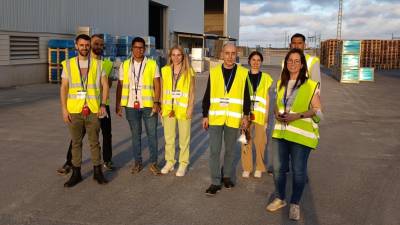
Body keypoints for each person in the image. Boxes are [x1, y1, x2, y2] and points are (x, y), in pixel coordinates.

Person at [266, 49, 321, 221]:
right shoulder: (281, 83)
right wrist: (276, 112)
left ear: (303, 64)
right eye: (290, 60)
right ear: (286, 62)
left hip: (300, 136)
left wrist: (297, 116)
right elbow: (277, 103)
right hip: (280, 133)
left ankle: (295, 203)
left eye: (297, 61)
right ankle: (280, 198)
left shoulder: (311, 85)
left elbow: (319, 112)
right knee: (277, 169)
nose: (293, 64)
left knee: (298, 172)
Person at [57, 34, 114, 175]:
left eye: (101, 45)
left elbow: (107, 85)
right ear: (77, 46)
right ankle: (71, 164)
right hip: (78, 108)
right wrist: (64, 109)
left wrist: (102, 104)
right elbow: (64, 87)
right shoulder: (70, 64)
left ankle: (104, 164)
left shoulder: (104, 64)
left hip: (98, 106)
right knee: (77, 139)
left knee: (103, 136)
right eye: (95, 44)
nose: (97, 47)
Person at [202, 43, 250, 196]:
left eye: (233, 53)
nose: (230, 56)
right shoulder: (214, 72)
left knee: (230, 150)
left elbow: (246, 96)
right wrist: (205, 115)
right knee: (215, 151)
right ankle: (215, 182)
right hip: (215, 117)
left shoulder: (243, 73)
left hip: (233, 118)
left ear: (237, 54)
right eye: (227, 53)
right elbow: (207, 95)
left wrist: (246, 115)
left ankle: (227, 175)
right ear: (222, 54)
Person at [115, 37, 162, 175]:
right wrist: (118, 104)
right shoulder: (124, 65)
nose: (139, 50)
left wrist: (157, 102)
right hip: (131, 106)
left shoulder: (152, 64)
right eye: (136, 47)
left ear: (145, 49)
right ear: (132, 48)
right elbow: (120, 84)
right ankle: (138, 162)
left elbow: (157, 84)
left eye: (141, 47)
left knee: (152, 135)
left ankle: (153, 163)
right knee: (135, 136)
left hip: (148, 105)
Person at [160, 45, 195, 177]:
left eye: (178, 55)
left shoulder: (189, 72)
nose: (176, 58)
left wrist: (190, 108)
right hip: (168, 109)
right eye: (173, 55)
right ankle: (169, 162)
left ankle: (183, 163)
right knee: (169, 138)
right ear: (170, 56)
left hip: (183, 110)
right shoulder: (164, 70)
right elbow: (163, 91)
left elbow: (192, 92)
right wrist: (162, 108)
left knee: (184, 139)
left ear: (183, 56)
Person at [240, 51, 273, 179]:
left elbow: (267, 98)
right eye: (253, 60)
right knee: (245, 140)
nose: (255, 62)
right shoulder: (243, 76)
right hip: (245, 114)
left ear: (261, 62)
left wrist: (266, 116)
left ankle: (259, 167)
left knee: (260, 142)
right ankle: (247, 168)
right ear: (249, 61)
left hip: (259, 114)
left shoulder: (265, 77)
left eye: (258, 60)